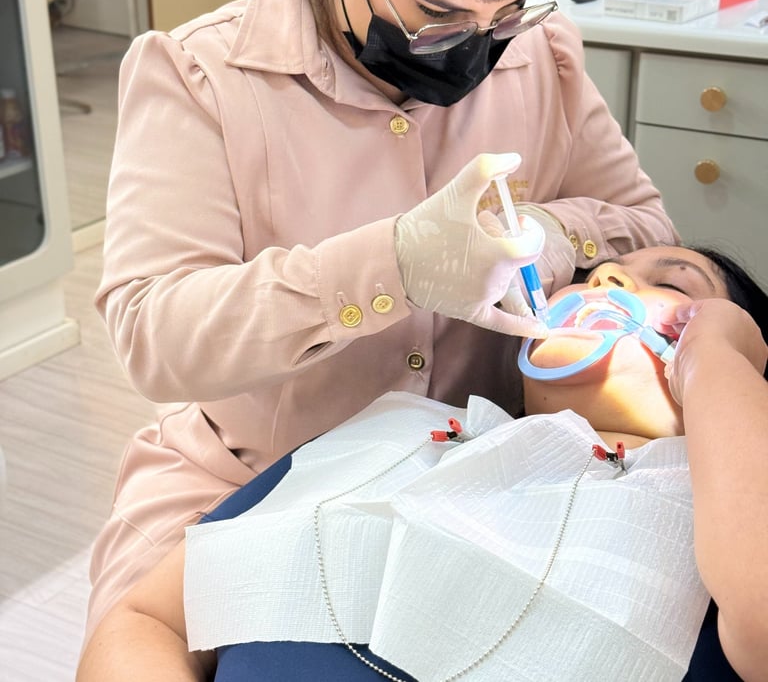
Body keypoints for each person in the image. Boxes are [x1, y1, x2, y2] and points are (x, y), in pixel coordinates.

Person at [85, 0, 680, 646]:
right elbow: (156, 338)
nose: (478, 48)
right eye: (440, 14)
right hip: (250, 476)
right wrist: (393, 266)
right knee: (136, 644)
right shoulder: (199, 76)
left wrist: (554, 232)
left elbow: (652, 232)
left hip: (487, 477)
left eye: (505, 14)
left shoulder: (542, 55)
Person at [77, 245, 768, 681]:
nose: (609, 276)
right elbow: (147, 621)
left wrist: (714, 355)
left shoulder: (723, 522)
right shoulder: (396, 431)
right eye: (592, 277)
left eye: (672, 282)